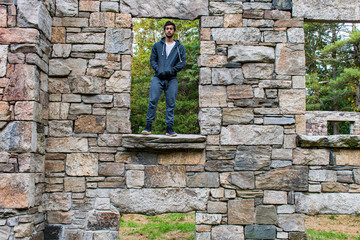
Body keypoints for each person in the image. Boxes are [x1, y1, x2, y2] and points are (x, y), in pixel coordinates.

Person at [141, 21, 186, 136]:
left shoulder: (179, 47)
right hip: (158, 77)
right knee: (152, 100)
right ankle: (148, 126)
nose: (169, 30)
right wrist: (158, 70)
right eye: (167, 28)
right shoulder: (157, 45)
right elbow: (152, 60)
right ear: (164, 31)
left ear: (174, 31)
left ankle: (169, 129)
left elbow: (182, 63)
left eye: (171, 28)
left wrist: (171, 71)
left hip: (172, 79)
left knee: (171, 103)